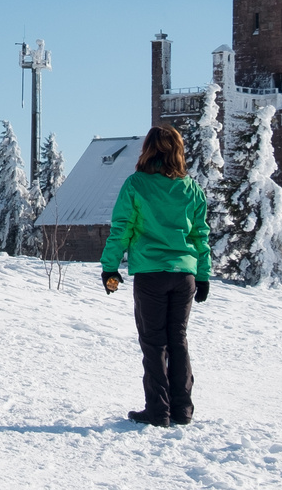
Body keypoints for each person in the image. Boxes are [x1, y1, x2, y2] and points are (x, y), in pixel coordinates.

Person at [100, 126, 211, 428]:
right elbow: (200, 235)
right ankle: (182, 410)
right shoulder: (191, 188)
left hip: (151, 275)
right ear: (177, 150)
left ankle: (158, 411)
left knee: (154, 343)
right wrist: (203, 275)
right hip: (184, 276)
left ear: (147, 149)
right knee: (178, 341)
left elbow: (122, 228)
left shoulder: (136, 184)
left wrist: (110, 268)